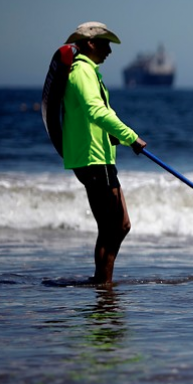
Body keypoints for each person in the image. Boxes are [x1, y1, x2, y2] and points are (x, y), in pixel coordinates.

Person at [61, 22, 147, 284]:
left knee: (116, 227)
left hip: (98, 157)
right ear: (90, 43)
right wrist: (131, 137)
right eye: (106, 43)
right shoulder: (82, 71)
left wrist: (116, 136)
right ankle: (103, 288)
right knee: (114, 227)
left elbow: (96, 116)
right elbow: (95, 111)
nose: (110, 49)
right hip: (94, 159)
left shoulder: (87, 72)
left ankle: (102, 283)